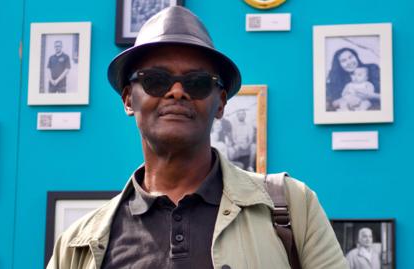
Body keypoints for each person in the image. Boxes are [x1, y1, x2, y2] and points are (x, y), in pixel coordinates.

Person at [47, 6, 348, 269]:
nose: (177, 91)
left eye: (198, 82)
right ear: (128, 99)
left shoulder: (291, 205)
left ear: (220, 103)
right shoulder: (78, 245)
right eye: (155, 80)